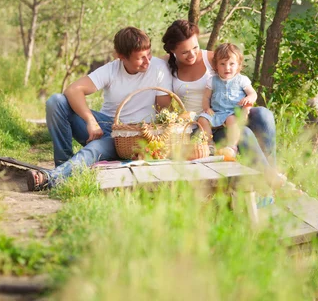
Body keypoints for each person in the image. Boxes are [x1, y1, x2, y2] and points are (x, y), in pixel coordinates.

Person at [27, 26, 172, 190]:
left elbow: (163, 113)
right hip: (105, 126)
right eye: (140, 58)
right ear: (121, 57)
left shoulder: (158, 69)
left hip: (132, 137)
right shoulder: (112, 69)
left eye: (149, 54)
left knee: (94, 149)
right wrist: (91, 121)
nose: (147, 61)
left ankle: (52, 178)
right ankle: (63, 165)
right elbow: (73, 90)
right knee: (56, 101)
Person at [161, 19, 285, 189]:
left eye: (195, 47)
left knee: (264, 114)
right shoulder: (165, 66)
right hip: (203, 124)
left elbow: (235, 75)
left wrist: (246, 107)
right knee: (245, 134)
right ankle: (269, 182)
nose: (192, 55)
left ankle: (272, 172)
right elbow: (147, 65)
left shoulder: (212, 59)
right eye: (184, 52)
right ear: (173, 51)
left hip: (229, 113)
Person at [198, 43, 256, 158]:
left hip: (233, 112)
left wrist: (248, 99)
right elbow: (206, 97)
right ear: (216, 66)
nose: (227, 68)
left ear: (238, 65)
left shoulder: (241, 80)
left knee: (232, 121)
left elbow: (253, 93)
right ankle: (209, 144)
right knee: (202, 119)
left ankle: (232, 146)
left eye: (232, 64)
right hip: (217, 113)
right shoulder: (212, 80)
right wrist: (207, 108)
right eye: (222, 64)